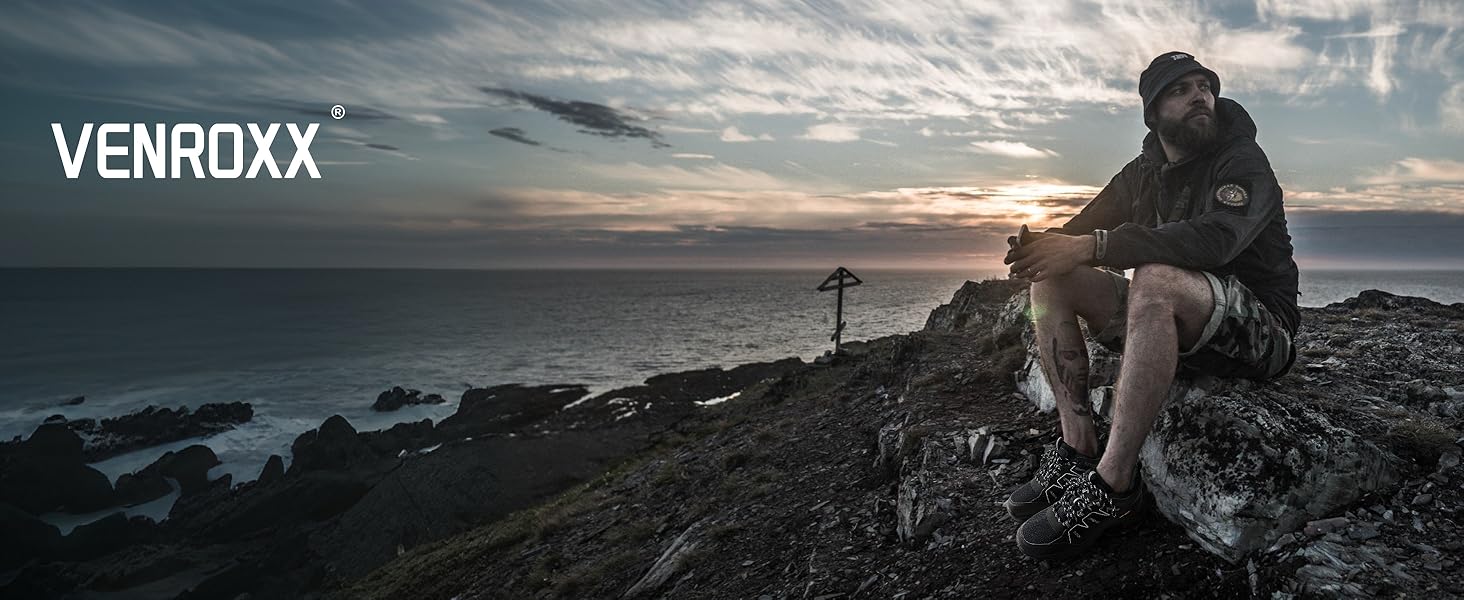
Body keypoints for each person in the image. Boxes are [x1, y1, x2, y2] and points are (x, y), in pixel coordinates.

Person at [999, 51, 1300, 560]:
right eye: (1181, 90)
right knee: (1052, 284)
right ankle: (1078, 447)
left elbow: (1216, 242)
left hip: (1257, 332)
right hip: (1173, 323)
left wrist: (1095, 246)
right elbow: (1079, 231)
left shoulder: (1242, 161)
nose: (1200, 95)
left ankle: (1114, 487)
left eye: (1204, 85)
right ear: (1154, 112)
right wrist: (1040, 247)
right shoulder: (1143, 173)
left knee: (1156, 278)